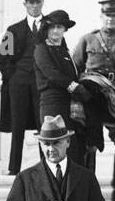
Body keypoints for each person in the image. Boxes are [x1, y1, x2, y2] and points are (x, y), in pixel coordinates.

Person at [72, 0, 115, 201]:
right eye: (107, 15)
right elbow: (76, 66)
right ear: (101, 16)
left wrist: (114, 86)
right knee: (90, 140)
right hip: (92, 95)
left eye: (114, 15)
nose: (110, 19)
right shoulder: (87, 39)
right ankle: (89, 192)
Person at [0, 0, 47, 175]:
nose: (34, 6)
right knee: (17, 126)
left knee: (45, 126)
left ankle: (47, 168)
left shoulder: (51, 27)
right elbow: (2, 57)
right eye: (31, 2)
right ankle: (13, 169)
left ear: (42, 3)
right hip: (18, 84)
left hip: (42, 85)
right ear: (25, 4)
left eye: (38, 2)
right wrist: (13, 77)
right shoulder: (13, 29)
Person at [34, 9, 91, 166]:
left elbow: (74, 73)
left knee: (72, 150)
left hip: (69, 105)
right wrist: (74, 87)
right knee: (55, 151)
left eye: (59, 27)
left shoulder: (65, 51)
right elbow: (51, 73)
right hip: (52, 103)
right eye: (52, 27)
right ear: (46, 29)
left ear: (65, 29)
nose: (55, 30)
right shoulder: (41, 49)